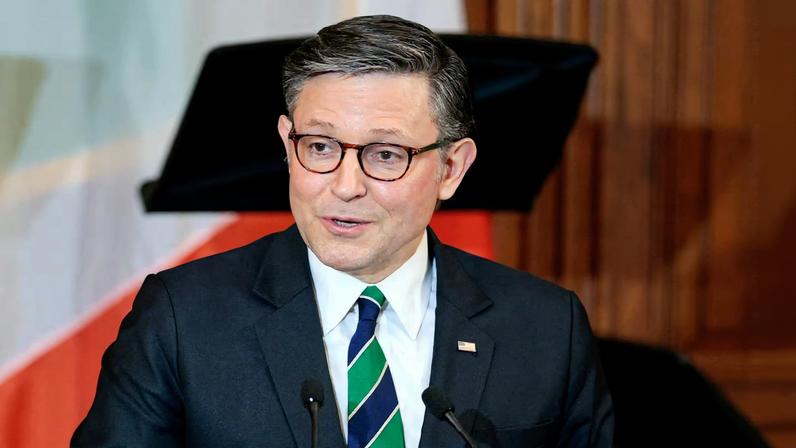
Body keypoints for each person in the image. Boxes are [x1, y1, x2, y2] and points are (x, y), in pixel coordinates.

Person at [72, 15, 613, 448]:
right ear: (288, 147)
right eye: (320, 147)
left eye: (386, 154)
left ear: (451, 168)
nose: (345, 186)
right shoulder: (181, 319)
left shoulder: (546, 329)